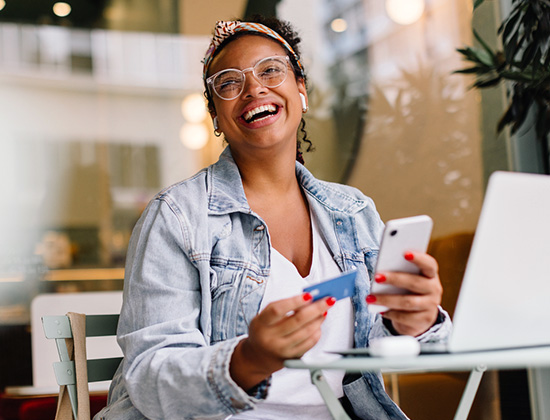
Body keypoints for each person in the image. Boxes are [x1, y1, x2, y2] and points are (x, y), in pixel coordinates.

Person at [95, 15, 451, 420]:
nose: (254, 88)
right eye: (229, 82)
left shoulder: (353, 211)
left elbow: (380, 345)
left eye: (271, 70)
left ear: (301, 90)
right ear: (215, 115)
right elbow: (150, 376)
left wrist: (417, 325)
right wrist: (248, 359)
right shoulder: (176, 217)